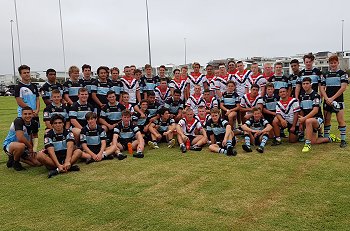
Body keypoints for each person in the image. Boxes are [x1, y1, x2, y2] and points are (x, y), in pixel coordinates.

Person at [299, 77, 339, 153]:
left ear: (311, 85)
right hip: (308, 120)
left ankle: (307, 144)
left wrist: (303, 119)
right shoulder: (302, 96)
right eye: (303, 84)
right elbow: (301, 110)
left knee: (308, 121)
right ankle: (330, 138)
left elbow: (315, 110)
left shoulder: (315, 95)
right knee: (314, 141)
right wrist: (301, 122)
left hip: (317, 119)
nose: (305, 85)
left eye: (307, 83)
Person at [320, 55, 348, 148]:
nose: (333, 64)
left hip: (338, 100)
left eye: (334, 63)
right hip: (327, 100)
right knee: (327, 120)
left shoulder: (342, 73)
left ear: (337, 63)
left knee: (340, 120)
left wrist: (332, 98)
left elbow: (343, 87)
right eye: (331, 63)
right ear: (329, 64)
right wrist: (327, 98)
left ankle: (343, 140)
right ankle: (326, 138)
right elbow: (322, 88)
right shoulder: (325, 74)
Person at [3, 106, 41, 171]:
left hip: (25, 146)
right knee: (21, 146)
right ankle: (16, 163)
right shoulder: (18, 121)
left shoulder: (34, 123)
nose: (27, 116)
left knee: (37, 163)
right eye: (25, 114)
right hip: (10, 145)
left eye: (29, 114)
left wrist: (34, 149)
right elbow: (20, 138)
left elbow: (35, 136)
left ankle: (17, 157)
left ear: (32, 114)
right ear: (21, 114)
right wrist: (30, 147)